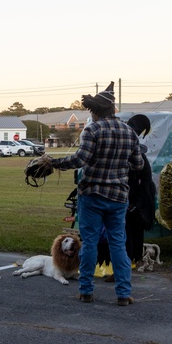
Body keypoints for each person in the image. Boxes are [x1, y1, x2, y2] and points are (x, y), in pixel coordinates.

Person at [46, 82, 143, 306]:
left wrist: (54, 163)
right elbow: (137, 163)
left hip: (91, 194)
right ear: (113, 110)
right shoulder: (129, 132)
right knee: (118, 243)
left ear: (95, 111)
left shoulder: (92, 130)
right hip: (118, 196)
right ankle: (123, 294)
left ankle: (86, 291)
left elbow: (81, 160)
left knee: (89, 244)